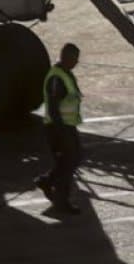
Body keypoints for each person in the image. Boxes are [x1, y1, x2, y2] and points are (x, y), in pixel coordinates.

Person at [35, 42, 83, 215]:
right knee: (68, 163)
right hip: (58, 128)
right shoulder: (57, 78)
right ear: (65, 57)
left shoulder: (65, 74)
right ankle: (62, 203)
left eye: (77, 59)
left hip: (67, 126)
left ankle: (47, 181)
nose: (76, 62)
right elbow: (54, 108)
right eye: (74, 58)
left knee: (74, 159)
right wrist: (61, 133)